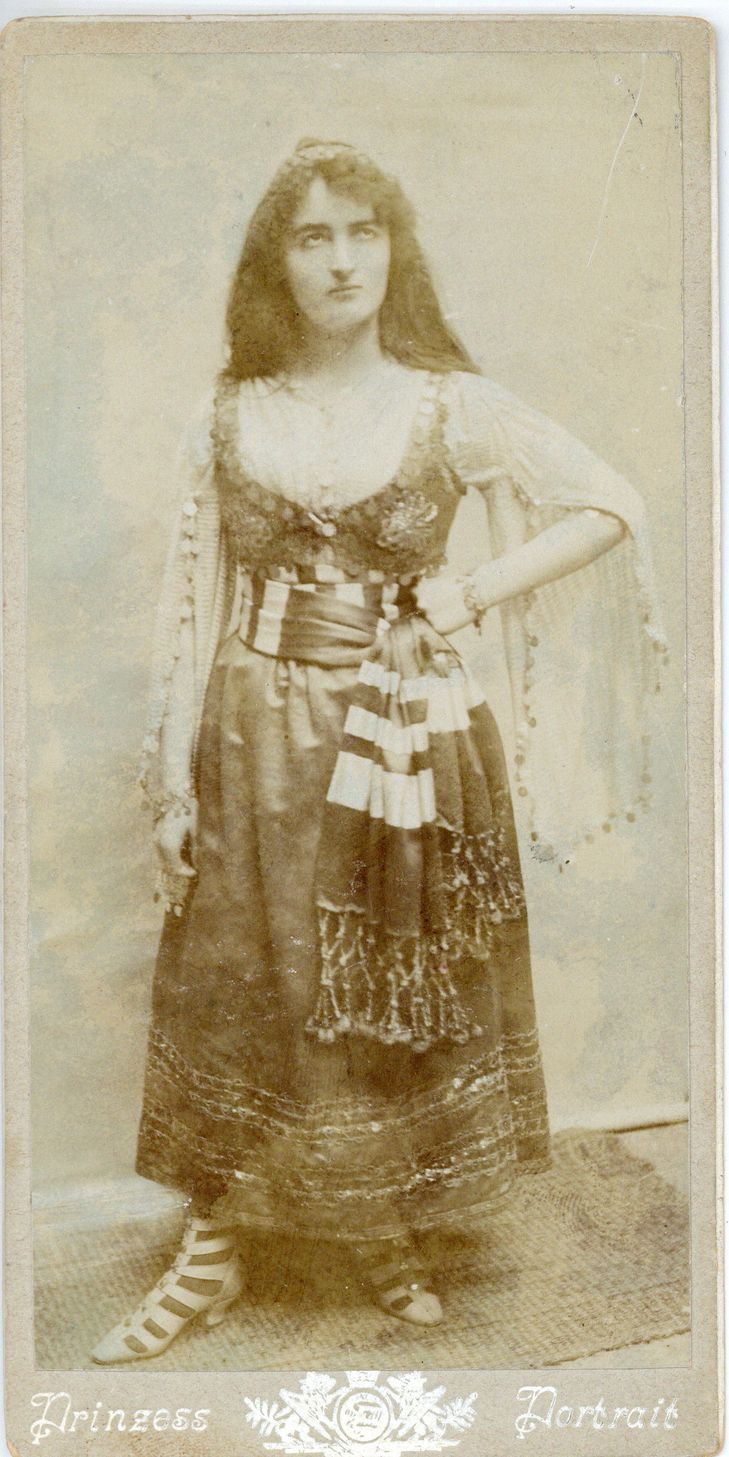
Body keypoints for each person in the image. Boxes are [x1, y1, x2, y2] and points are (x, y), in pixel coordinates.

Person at [91, 139, 666, 1364]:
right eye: (314, 237)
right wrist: (172, 782)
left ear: (395, 251)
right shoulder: (229, 414)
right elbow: (194, 604)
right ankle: (215, 1244)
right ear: (278, 262)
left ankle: (381, 1223)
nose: (344, 260)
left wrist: (472, 591)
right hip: (252, 732)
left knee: (387, 982)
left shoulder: (447, 404)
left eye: (365, 232)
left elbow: (610, 502)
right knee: (249, 979)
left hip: (406, 736)